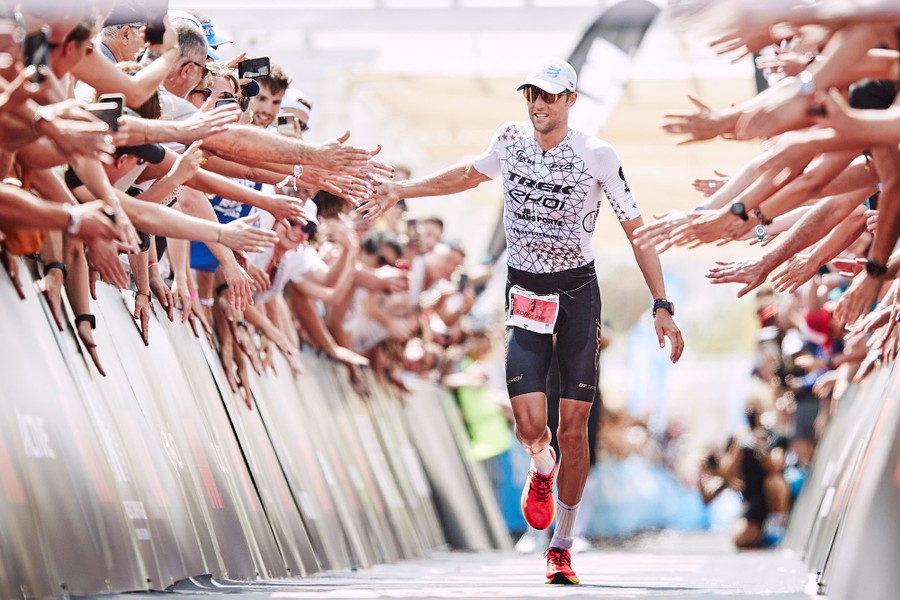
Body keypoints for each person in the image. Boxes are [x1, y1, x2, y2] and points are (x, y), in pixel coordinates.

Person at [357, 57, 684, 585]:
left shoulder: (597, 155)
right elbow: (466, 175)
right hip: (526, 289)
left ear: (570, 101)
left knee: (575, 429)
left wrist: (661, 304)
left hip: (578, 291)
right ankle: (541, 466)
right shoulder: (509, 140)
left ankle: (561, 544)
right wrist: (402, 191)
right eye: (531, 94)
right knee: (532, 426)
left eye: (549, 96)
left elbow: (636, 230)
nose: (538, 105)